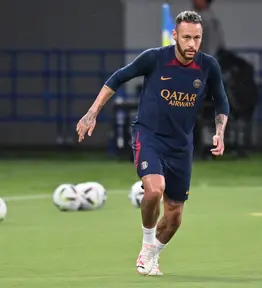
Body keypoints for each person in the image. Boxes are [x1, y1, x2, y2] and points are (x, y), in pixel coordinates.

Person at [76, 11, 229, 276]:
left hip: (181, 145)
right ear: (175, 36)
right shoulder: (154, 58)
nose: (192, 44)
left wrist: (220, 131)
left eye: (197, 38)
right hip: (149, 136)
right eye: (186, 38)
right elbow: (117, 79)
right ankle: (147, 242)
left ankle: (151, 253)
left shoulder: (208, 66)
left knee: (175, 215)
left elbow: (221, 101)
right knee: (155, 189)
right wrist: (92, 113)